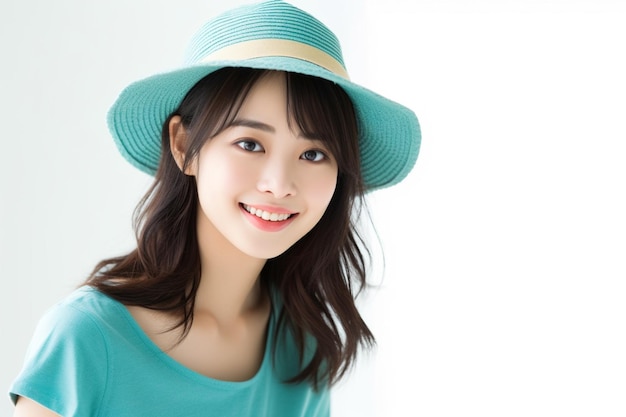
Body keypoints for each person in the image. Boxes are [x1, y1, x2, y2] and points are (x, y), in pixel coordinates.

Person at [9, 0, 421, 416]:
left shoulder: (302, 351)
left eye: (313, 154)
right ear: (184, 146)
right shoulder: (89, 338)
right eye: (249, 144)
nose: (278, 184)